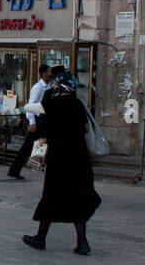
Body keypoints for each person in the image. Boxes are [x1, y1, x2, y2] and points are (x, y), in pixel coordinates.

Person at [22, 74, 100, 254]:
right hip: (79, 160)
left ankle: (40, 238)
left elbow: (35, 115)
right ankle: (82, 242)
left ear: (59, 88)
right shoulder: (79, 105)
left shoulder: (52, 105)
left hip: (60, 159)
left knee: (51, 197)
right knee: (78, 200)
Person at [8, 64, 58, 180]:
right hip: (37, 119)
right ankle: (15, 169)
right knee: (28, 146)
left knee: (31, 145)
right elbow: (30, 105)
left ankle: (16, 169)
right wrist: (32, 122)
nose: (49, 74)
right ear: (43, 73)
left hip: (43, 119)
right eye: (48, 72)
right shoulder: (38, 87)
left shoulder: (49, 87)